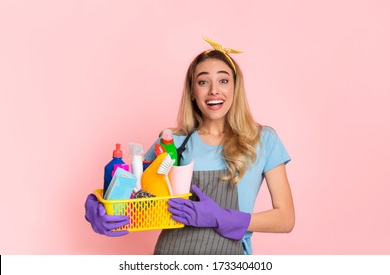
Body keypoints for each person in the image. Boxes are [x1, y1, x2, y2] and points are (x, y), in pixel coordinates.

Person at [85, 37, 295, 255]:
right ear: (193, 92)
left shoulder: (262, 140)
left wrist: (220, 217)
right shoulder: (172, 143)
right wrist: (95, 206)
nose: (214, 90)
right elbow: (134, 193)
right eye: (203, 82)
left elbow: (285, 219)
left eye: (223, 81)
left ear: (236, 87)